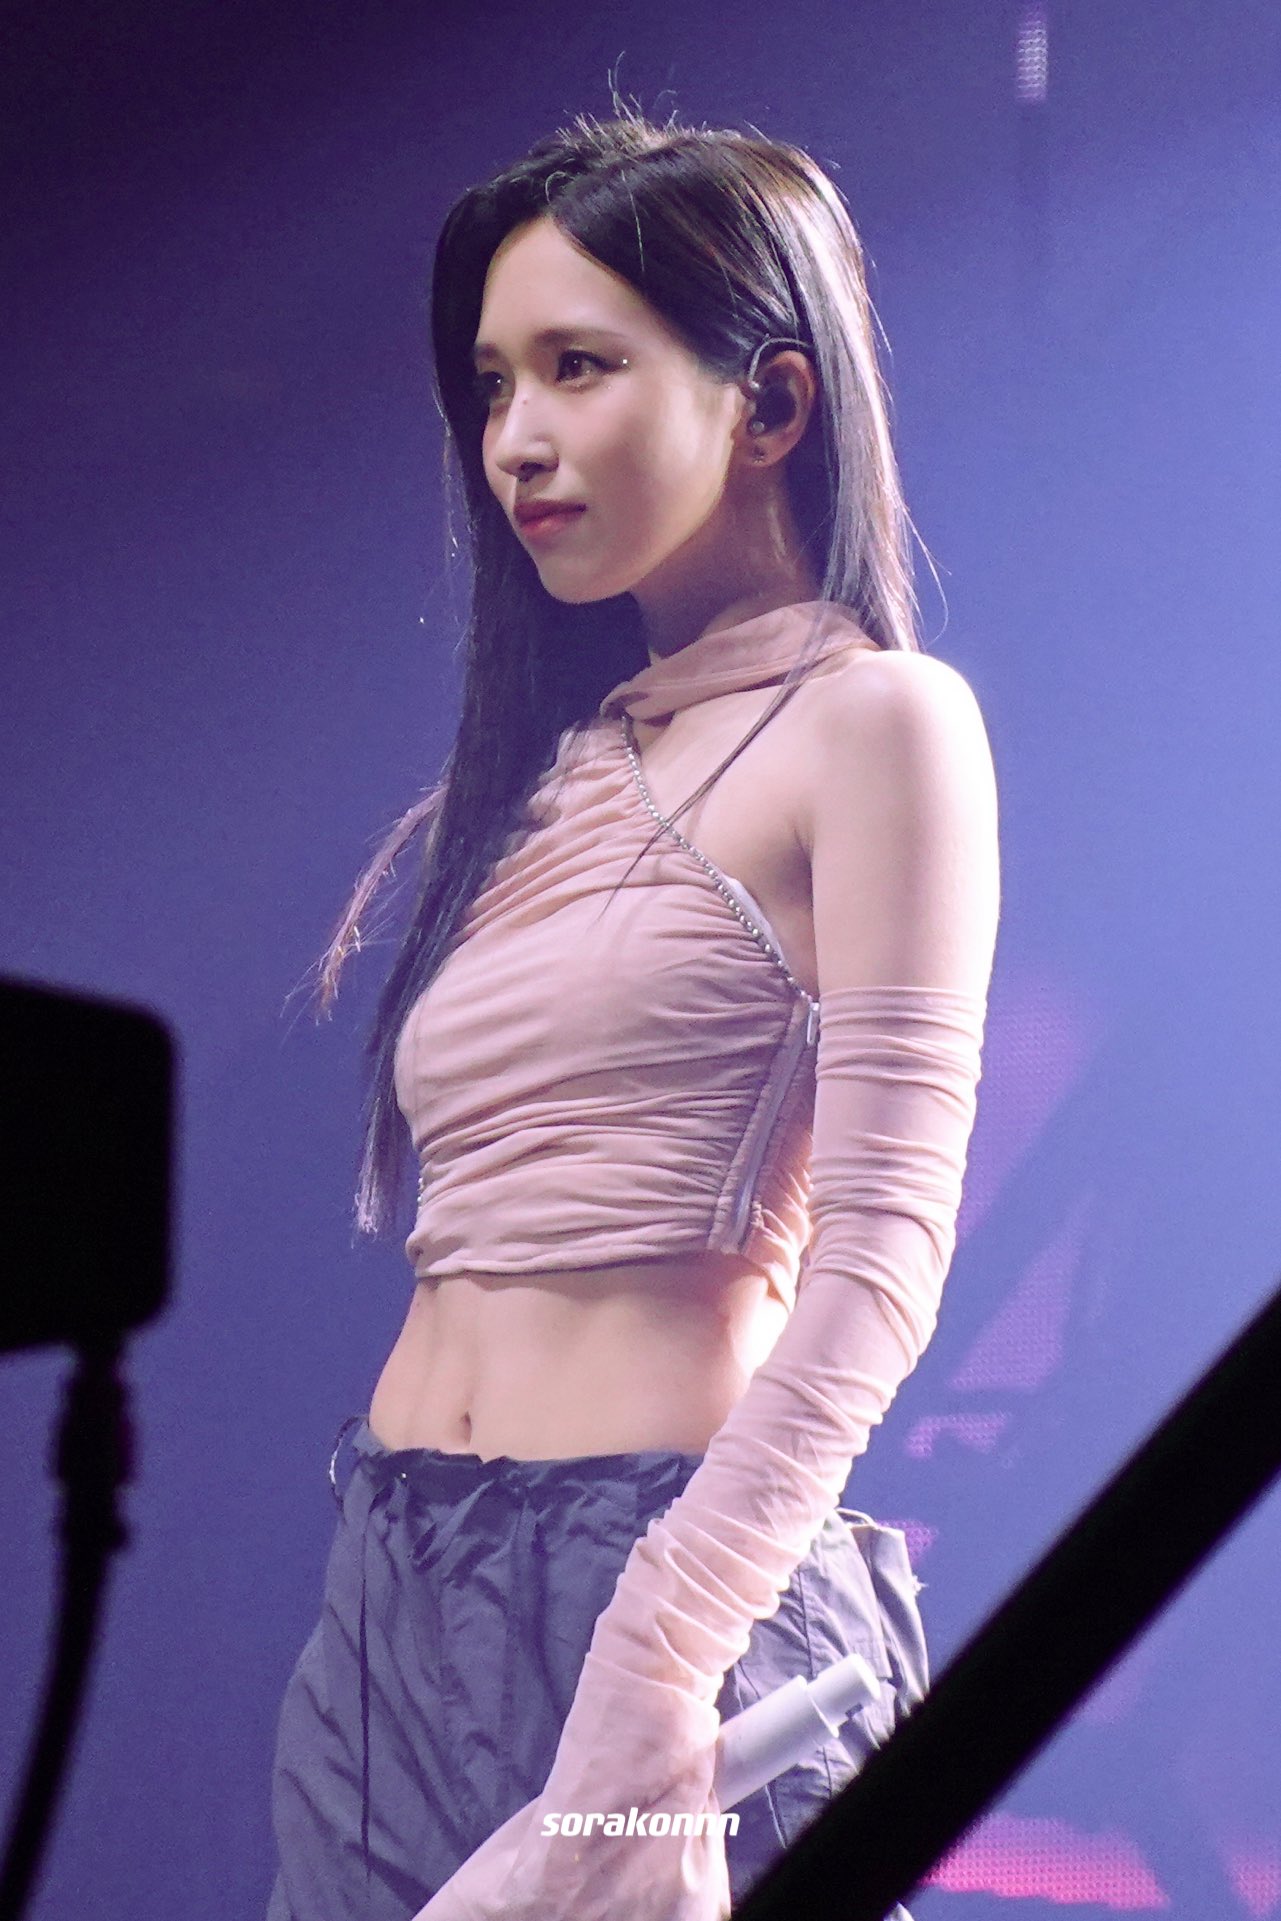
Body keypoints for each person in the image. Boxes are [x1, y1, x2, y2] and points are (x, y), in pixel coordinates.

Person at [266, 101, 1000, 1921]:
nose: (513, 437)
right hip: (389, 1597)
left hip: (666, 1597)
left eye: (576, 366)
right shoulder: (548, 777)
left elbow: (884, 1257)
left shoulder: (878, 722)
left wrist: (653, 1664)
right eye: (491, 384)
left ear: (771, 404)